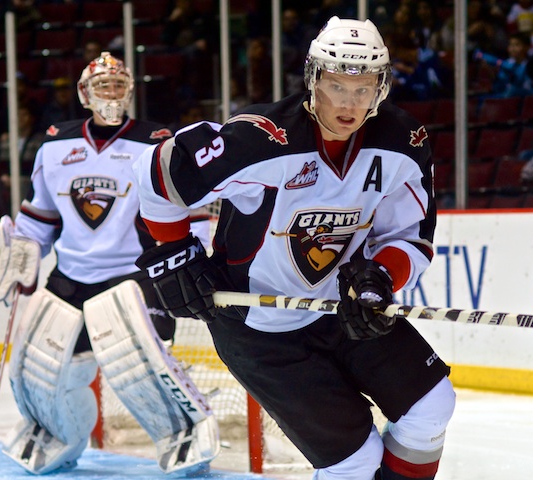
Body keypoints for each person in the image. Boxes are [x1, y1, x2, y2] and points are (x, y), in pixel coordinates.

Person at [133, 16, 456, 480]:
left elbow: (410, 235)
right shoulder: (260, 139)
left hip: (340, 311)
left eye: (362, 88)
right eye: (336, 85)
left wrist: (379, 278)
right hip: (257, 327)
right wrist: (172, 254)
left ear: (381, 88)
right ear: (312, 78)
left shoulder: (403, 144)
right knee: (356, 461)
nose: (349, 102)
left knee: (433, 405)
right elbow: (157, 173)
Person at [0, 52, 218, 475]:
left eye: (118, 85)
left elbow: (190, 211)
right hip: (71, 276)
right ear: (84, 95)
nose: (111, 93)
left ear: (130, 91)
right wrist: (23, 254)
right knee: (43, 368)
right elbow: (41, 216)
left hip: (135, 274)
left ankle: (186, 433)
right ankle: (57, 434)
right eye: (101, 86)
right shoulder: (55, 145)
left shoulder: (156, 143)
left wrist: (192, 260)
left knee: (136, 363)